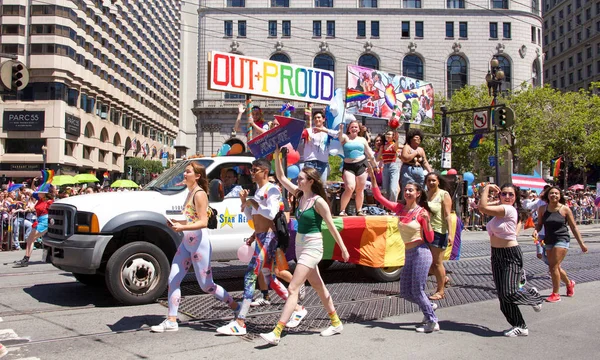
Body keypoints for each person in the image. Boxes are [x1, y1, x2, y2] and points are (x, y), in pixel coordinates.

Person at [259, 147, 350, 345]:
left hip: (313, 246)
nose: (297, 181)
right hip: (300, 245)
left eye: (301, 178)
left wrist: (342, 248)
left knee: (293, 288)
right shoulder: (300, 196)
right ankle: (336, 322)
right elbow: (282, 177)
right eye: (298, 178)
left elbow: (332, 227)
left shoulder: (319, 202)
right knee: (319, 286)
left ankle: (277, 331)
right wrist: (276, 153)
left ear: (310, 181)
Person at [216, 159, 304, 336]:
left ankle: (240, 322)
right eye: (251, 169)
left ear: (265, 172)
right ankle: (297, 308)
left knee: (251, 274)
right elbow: (252, 216)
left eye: (255, 170)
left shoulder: (272, 189)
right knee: (268, 277)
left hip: (270, 238)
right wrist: (245, 203)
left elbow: (271, 213)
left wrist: (253, 204)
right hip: (261, 237)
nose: (251, 172)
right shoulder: (258, 191)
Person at [151, 163, 238, 332]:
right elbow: (191, 219)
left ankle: (236, 306)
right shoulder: (189, 193)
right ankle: (171, 320)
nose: (184, 174)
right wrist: (176, 223)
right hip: (187, 243)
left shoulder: (199, 194)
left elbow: (203, 222)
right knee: (172, 280)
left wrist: (181, 227)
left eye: (188, 172)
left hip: (199, 243)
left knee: (207, 286)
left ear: (197, 176)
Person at [367, 166, 438, 333]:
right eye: (406, 190)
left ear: (418, 193)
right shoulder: (400, 209)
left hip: (421, 252)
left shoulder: (421, 212)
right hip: (408, 253)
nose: (407, 193)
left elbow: (431, 238)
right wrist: (371, 176)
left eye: (411, 190)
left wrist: (427, 222)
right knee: (406, 292)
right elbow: (378, 197)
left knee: (417, 290)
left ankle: (432, 320)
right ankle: (428, 305)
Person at [478, 183, 543, 337]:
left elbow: (482, 207)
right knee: (503, 297)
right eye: (504, 194)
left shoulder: (508, 209)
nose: (507, 197)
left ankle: (534, 297)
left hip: (510, 254)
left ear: (515, 198)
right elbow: (479, 205)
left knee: (508, 293)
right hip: (496, 254)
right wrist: (495, 198)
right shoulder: (501, 210)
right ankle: (520, 325)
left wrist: (487, 188)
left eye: (511, 195)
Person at [535, 186, 588, 303]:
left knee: (553, 266)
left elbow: (574, 227)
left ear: (560, 196)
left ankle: (555, 294)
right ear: (547, 196)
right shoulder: (542, 209)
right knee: (555, 267)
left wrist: (581, 244)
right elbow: (539, 224)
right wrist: (536, 229)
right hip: (548, 240)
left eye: (556, 193)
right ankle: (569, 284)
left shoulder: (565, 209)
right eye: (551, 193)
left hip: (562, 239)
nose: (554, 195)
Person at [338, 120, 379, 216]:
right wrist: (340, 130)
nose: (354, 128)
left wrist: (375, 165)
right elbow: (340, 136)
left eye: (356, 127)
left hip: (361, 164)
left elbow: (369, 153)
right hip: (349, 166)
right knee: (350, 187)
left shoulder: (362, 140)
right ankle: (342, 210)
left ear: (359, 129)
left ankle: (359, 210)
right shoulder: (345, 137)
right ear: (348, 129)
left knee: (360, 189)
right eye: (352, 127)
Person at [424, 172, 453, 300]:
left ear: (438, 181)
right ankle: (443, 278)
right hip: (426, 231)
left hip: (439, 232)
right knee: (428, 263)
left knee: (437, 263)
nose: (431, 183)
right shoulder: (426, 194)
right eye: (429, 180)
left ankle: (440, 291)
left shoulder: (443, 195)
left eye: (433, 180)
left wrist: (451, 233)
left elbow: (448, 215)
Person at [14, 184, 54, 268]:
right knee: (31, 239)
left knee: (31, 239)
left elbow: (53, 212)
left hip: (45, 221)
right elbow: (32, 192)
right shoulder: (40, 199)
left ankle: (26, 259)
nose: (38, 193)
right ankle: (26, 258)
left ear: (44, 193)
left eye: (40, 192)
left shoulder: (49, 201)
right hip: (39, 220)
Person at [301, 110, 339, 183]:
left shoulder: (327, 132)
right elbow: (298, 134)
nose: (317, 119)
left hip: (323, 162)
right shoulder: (308, 131)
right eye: (315, 118)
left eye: (319, 117)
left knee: (321, 185)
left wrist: (323, 130)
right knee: (309, 185)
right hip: (310, 162)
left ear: (323, 119)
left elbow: (337, 134)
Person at [379, 130, 401, 202]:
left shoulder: (393, 145)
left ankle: (393, 206)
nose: (387, 135)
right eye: (386, 134)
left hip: (393, 166)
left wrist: (397, 140)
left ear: (393, 137)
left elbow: (396, 148)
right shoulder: (383, 146)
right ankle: (386, 207)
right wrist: (380, 151)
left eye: (389, 134)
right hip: (385, 166)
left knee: (393, 188)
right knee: (385, 189)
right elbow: (377, 158)